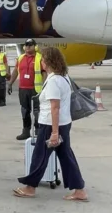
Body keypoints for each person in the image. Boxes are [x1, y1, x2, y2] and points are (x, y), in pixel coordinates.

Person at [13, 46, 87, 201]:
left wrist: (54, 132)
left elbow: (55, 107)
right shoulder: (64, 77)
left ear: (48, 62)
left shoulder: (54, 81)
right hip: (63, 123)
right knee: (66, 156)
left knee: (40, 156)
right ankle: (79, 190)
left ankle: (30, 187)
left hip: (51, 125)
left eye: (43, 60)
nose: (42, 63)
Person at [8, 40, 43, 141]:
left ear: (35, 46)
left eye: (30, 45)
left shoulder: (39, 58)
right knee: (24, 110)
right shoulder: (20, 58)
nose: (28, 47)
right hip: (23, 89)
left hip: (36, 89)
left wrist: (46, 86)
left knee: (37, 111)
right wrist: (10, 83)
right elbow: (15, 71)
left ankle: (38, 131)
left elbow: (44, 72)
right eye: (26, 45)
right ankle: (26, 131)